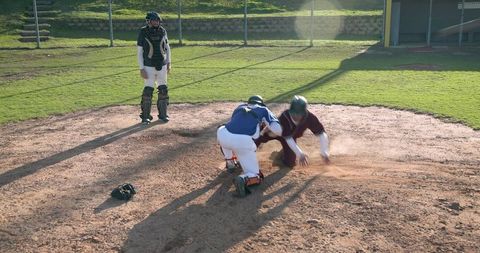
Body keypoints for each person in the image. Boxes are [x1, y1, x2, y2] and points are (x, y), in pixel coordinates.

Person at [217, 95, 282, 197]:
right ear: (260, 103)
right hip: (242, 142)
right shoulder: (263, 110)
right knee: (256, 176)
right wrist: (270, 126)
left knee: (226, 134)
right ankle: (244, 179)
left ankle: (230, 163)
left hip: (222, 135)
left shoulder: (240, 107)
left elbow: (235, 125)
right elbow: (278, 130)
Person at [255, 95, 330, 167]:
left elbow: (322, 134)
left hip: (288, 137)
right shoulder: (285, 116)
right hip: (272, 132)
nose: (296, 116)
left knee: (290, 163)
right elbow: (288, 139)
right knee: (257, 138)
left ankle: (281, 155)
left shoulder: (310, 118)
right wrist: (300, 154)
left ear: (304, 112)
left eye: (299, 114)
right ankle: (245, 156)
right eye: (294, 113)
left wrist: (324, 152)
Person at [137, 11, 172, 125]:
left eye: (157, 20)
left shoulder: (162, 30)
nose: (156, 22)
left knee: (163, 89)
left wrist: (168, 63)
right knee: (148, 90)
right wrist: (141, 68)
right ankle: (145, 116)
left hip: (161, 65)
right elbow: (139, 52)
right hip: (148, 66)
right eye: (154, 20)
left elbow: (167, 47)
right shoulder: (143, 32)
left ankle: (163, 114)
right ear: (148, 21)